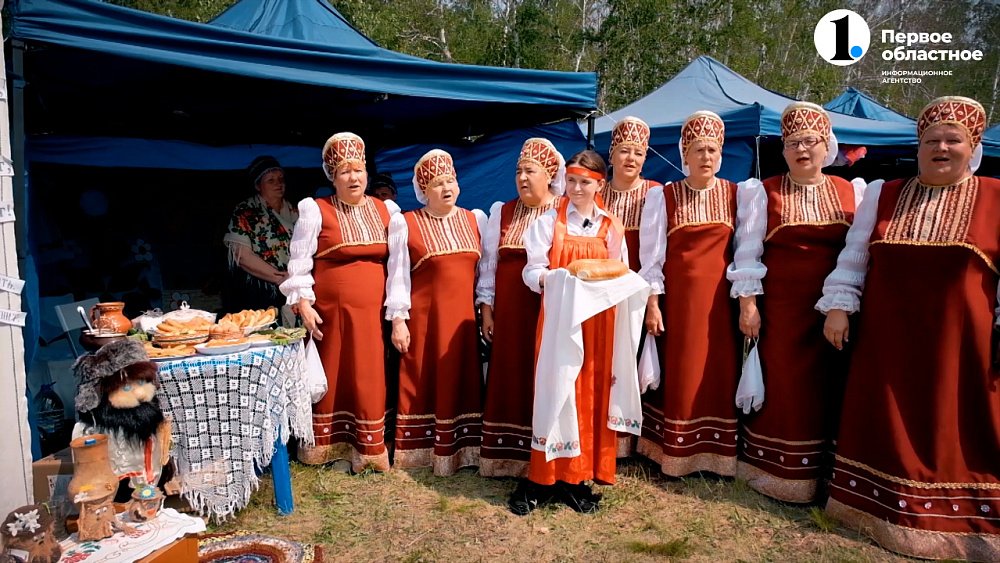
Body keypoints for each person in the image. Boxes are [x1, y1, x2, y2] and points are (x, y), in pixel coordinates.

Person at [816, 96, 999, 561]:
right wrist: (839, 306)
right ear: (918, 147)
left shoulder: (996, 197)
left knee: (957, 428)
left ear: (973, 147)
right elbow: (856, 254)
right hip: (888, 342)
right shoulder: (884, 194)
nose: (942, 147)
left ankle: (962, 526)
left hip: (962, 346)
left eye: (953, 140)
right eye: (932, 140)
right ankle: (872, 513)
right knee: (884, 423)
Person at [727, 102, 865, 503]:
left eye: (810, 141)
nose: (802, 149)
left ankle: (825, 476)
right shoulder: (762, 192)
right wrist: (748, 305)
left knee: (830, 385)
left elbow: (859, 253)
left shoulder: (854, 192)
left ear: (827, 146)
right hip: (783, 311)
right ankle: (775, 472)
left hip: (837, 308)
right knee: (786, 386)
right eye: (793, 143)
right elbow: (747, 251)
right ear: (783, 150)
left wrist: (845, 304)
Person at [510, 150, 648, 515]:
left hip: (599, 323)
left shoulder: (611, 226)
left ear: (599, 184)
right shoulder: (548, 222)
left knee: (591, 393)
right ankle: (543, 477)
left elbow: (620, 272)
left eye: (585, 182)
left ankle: (577, 477)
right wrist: (554, 279)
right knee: (557, 391)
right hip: (559, 320)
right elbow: (531, 271)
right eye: (571, 181)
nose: (576, 188)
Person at [280, 133, 395, 471]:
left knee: (370, 375)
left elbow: (399, 263)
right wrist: (303, 303)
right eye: (345, 172)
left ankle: (369, 447)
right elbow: (299, 262)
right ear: (333, 177)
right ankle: (326, 447)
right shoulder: (316, 210)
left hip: (373, 313)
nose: (353, 178)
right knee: (333, 374)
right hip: (331, 314)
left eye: (358, 170)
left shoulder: (386, 210)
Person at [637, 111, 741, 477]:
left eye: (712, 149)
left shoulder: (737, 194)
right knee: (681, 371)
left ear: (720, 154)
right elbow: (652, 257)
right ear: (685, 154)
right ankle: (673, 452)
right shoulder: (663, 197)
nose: (706, 157)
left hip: (719, 305)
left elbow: (744, 253)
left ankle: (715, 454)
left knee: (717, 371)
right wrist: (653, 304)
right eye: (698, 149)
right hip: (679, 304)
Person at [385, 149, 486, 476]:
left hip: (462, 324)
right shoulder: (407, 223)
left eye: (450, 181)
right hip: (426, 323)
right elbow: (398, 276)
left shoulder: (475, 220)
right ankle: (421, 451)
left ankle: (464, 450)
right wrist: (398, 320)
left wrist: (486, 311)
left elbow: (486, 273)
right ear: (424, 190)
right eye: (438, 183)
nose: (446, 188)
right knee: (424, 382)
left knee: (462, 381)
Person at [477, 138, 565, 478]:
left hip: (548, 311)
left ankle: (547, 456)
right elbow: (489, 264)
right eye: (518, 172)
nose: (522, 178)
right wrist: (487, 309)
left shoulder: (564, 210)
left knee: (546, 377)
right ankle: (506, 455)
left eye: (530, 171)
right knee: (511, 375)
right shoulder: (502, 211)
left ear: (549, 175)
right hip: (511, 314)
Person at [223, 156, 298, 313]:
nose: (278, 184)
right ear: (258, 186)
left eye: (281, 179)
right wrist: (280, 278)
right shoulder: (246, 211)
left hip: (294, 285)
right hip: (258, 289)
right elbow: (242, 255)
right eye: (271, 180)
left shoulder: (294, 210)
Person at [600, 116, 662, 273]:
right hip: (603, 278)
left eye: (638, 153)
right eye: (624, 151)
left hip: (643, 280)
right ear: (611, 156)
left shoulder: (655, 193)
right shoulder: (597, 194)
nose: (631, 158)